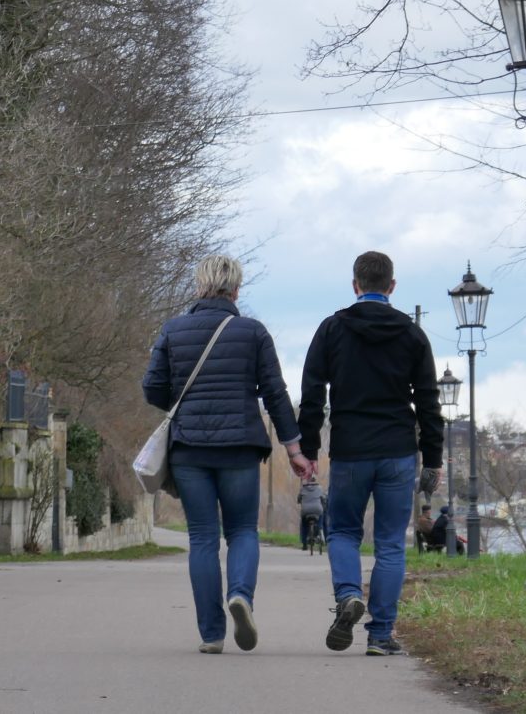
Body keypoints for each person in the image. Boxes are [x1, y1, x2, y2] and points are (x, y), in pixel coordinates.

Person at [143, 254, 311, 655]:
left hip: (189, 449)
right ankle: (241, 596)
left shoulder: (173, 330)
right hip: (239, 447)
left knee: (202, 538)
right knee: (242, 532)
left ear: (199, 285)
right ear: (236, 289)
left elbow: (152, 387)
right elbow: (275, 393)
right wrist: (294, 449)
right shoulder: (252, 332)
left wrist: (184, 403)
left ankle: (211, 634)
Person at [298, 251, 443, 657]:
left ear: (355, 284)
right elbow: (429, 402)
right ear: (392, 286)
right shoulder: (413, 335)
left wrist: (308, 449)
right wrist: (433, 458)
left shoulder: (332, 329)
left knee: (343, 530)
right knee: (391, 543)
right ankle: (381, 634)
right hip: (397, 450)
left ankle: (347, 594)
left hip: (350, 449)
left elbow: (312, 394)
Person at [298, 481, 328, 552]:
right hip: (317, 510)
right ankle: (321, 533)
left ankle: (304, 543)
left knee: (304, 525)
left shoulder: (303, 489)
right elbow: (323, 499)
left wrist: (300, 500)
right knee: (321, 517)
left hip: (306, 511)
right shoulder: (319, 488)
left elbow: (299, 499)